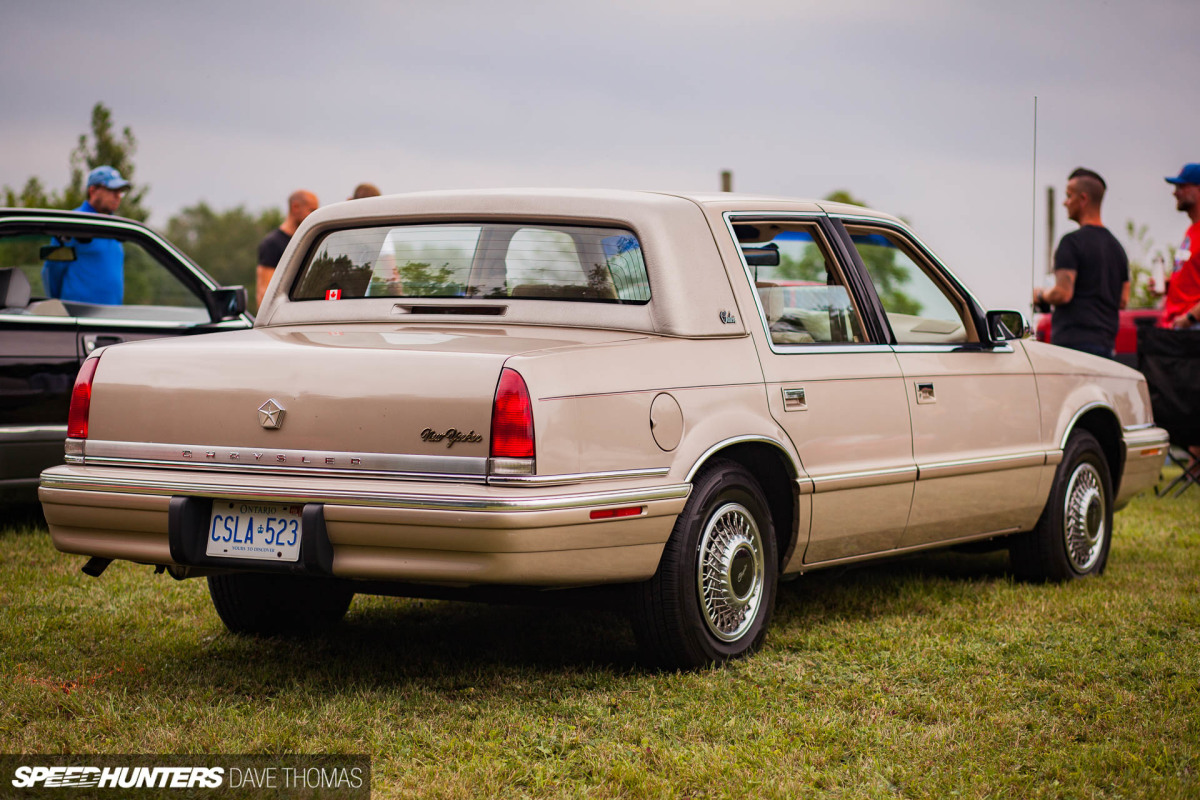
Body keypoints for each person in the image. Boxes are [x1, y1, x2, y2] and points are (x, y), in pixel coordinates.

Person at [1032, 167, 1130, 357]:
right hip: (1106, 347)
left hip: (1073, 347)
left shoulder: (1071, 242)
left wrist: (1041, 294)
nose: (1064, 202)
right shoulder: (1118, 248)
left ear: (1083, 199)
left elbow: (1062, 293)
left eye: (1069, 196)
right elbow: (1123, 300)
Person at [41, 166, 130, 305]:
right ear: (93, 191)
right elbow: (53, 271)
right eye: (112, 190)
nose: (117, 196)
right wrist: (62, 308)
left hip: (112, 318)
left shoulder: (116, 226)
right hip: (80, 320)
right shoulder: (73, 224)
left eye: (120, 191)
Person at [256, 190, 318, 306]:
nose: (314, 215)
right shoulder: (272, 243)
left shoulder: (309, 240)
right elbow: (263, 292)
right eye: (311, 210)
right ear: (295, 207)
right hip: (285, 315)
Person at [1160, 163, 1200, 330]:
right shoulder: (1192, 231)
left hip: (1193, 326)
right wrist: (1168, 285)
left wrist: (1190, 318)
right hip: (1182, 327)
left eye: (1181, 186)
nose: (1175, 192)